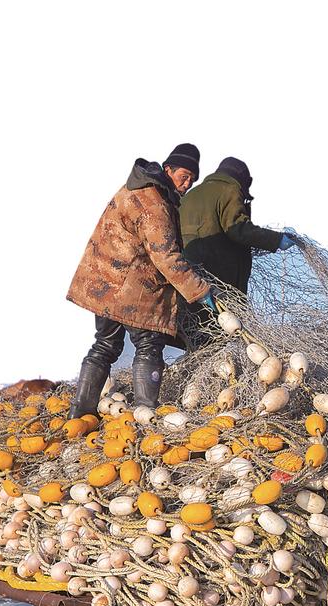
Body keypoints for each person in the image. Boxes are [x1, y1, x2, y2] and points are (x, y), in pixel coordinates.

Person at [65, 144, 214, 418]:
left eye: (193, 179)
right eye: (184, 176)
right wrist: (200, 291)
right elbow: (166, 257)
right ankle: (147, 413)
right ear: (168, 169)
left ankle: (81, 412)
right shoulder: (154, 202)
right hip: (131, 288)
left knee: (105, 344)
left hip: (105, 282)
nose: (187, 184)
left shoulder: (138, 187)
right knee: (149, 344)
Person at [179, 156, 296, 297]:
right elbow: (238, 229)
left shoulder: (188, 196)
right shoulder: (229, 190)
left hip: (189, 284)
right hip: (220, 287)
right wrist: (277, 239)